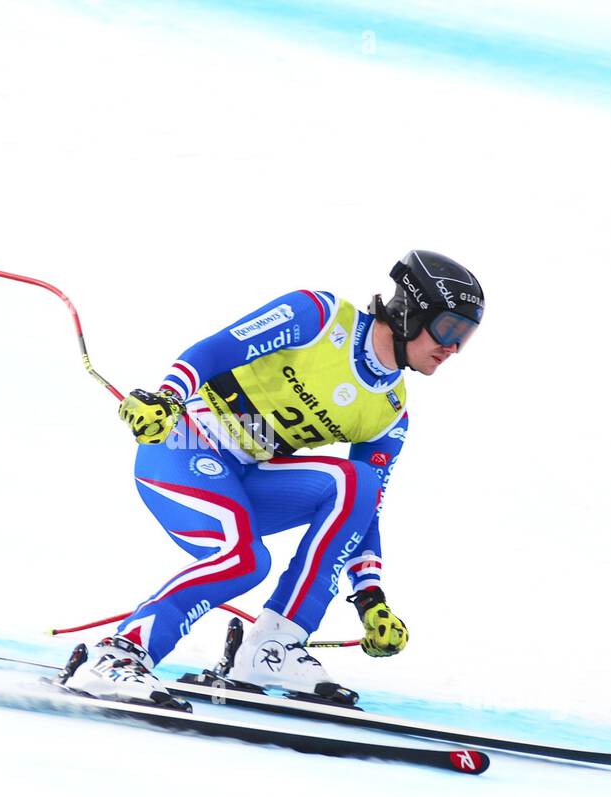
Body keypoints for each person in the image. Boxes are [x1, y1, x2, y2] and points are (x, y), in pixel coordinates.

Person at [60, 250, 484, 709]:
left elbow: (364, 513)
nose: (454, 347)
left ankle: (272, 647)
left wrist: (370, 597)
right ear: (408, 311)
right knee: (245, 559)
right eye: (448, 328)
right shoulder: (320, 317)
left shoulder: (390, 411)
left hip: (244, 477)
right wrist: (166, 397)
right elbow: (216, 350)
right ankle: (118, 654)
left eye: (466, 335)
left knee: (359, 483)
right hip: (182, 446)